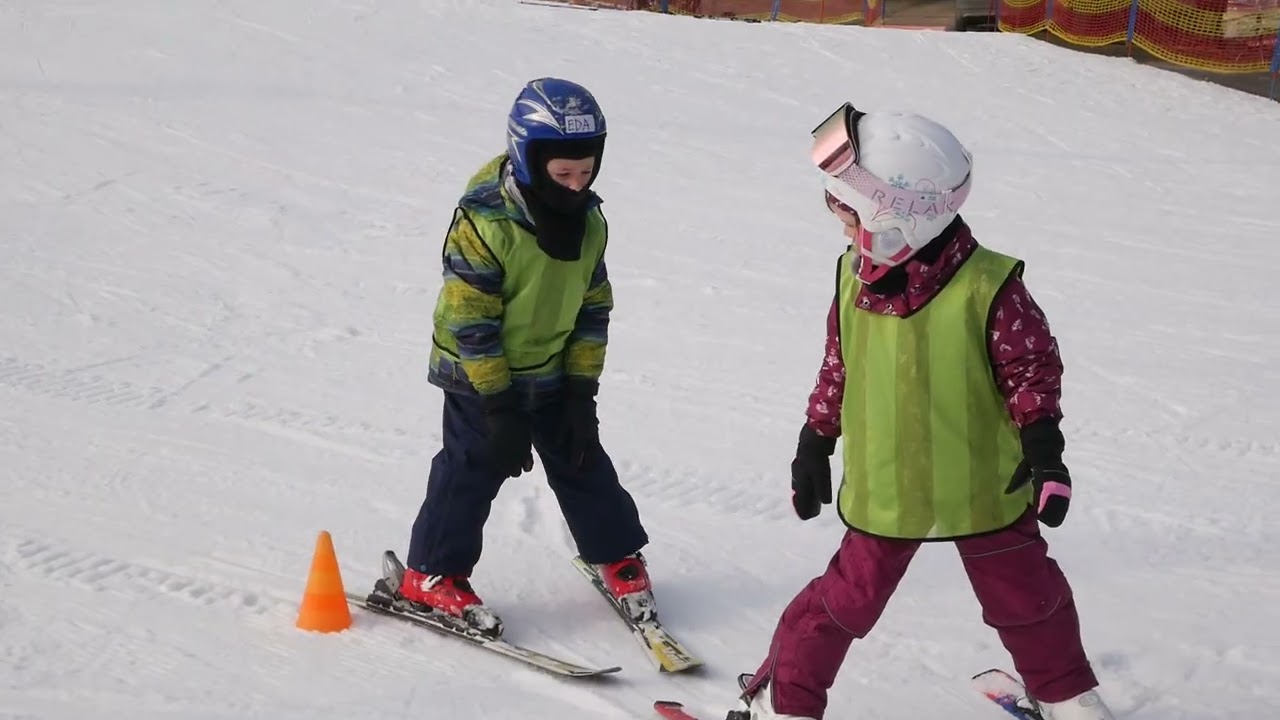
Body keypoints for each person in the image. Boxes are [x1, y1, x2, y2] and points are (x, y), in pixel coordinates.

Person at [724, 104, 1117, 720]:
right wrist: (814, 443)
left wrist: (1046, 453)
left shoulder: (991, 288)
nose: (842, 229)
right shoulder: (851, 278)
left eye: (849, 215)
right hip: (889, 485)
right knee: (842, 603)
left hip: (982, 483)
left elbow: (1031, 372)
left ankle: (1067, 695)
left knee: (1028, 599)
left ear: (899, 217)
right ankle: (791, 697)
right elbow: (840, 366)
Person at [371, 77, 653, 638]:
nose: (577, 186)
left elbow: (593, 308)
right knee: (473, 465)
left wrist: (580, 394)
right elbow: (470, 321)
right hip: (479, 375)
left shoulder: (590, 222)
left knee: (581, 456)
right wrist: (498, 406)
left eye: (587, 170)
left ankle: (615, 553)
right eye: (562, 174)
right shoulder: (484, 222)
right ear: (528, 158)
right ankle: (430, 573)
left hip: (550, 368)